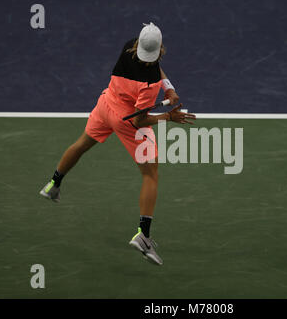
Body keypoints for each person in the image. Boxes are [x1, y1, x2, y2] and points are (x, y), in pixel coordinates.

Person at [39, 22, 196, 266]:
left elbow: (155, 67)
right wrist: (169, 116)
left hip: (106, 106)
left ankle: (53, 184)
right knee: (150, 174)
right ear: (160, 48)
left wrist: (169, 89)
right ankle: (143, 235)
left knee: (82, 144)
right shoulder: (150, 80)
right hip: (127, 121)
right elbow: (140, 119)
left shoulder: (129, 48)